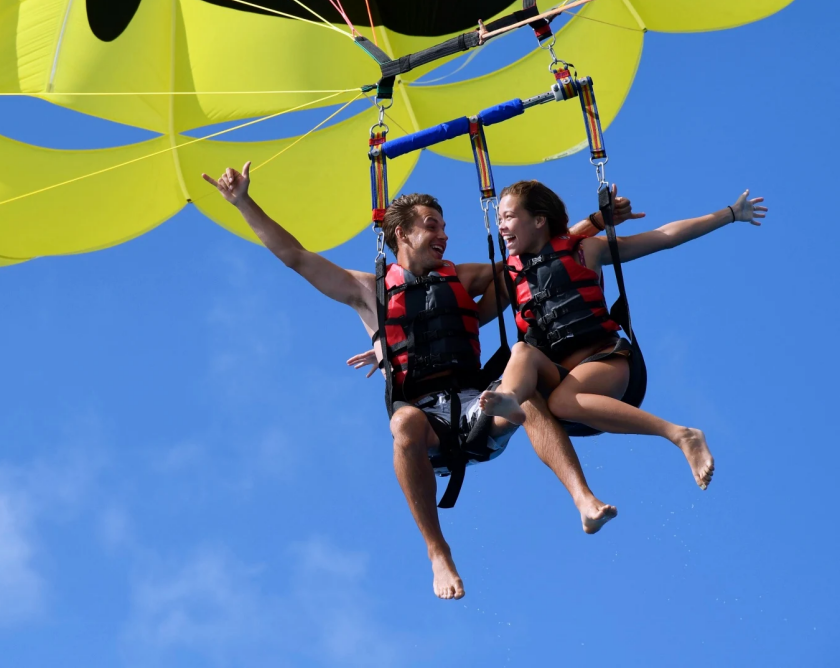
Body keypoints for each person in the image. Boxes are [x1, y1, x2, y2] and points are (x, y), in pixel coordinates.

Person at [202, 162, 639, 600]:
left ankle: (583, 498)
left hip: (480, 405)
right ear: (402, 235)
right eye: (432, 226)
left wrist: (594, 223)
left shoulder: (464, 277)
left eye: (444, 226)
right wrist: (243, 203)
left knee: (524, 390)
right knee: (403, 424)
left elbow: (539, 254)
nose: (443, 235)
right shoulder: (367, 291)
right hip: (426, 422)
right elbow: (296, 257)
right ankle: (438, 552)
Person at [479, 180, 768, 490]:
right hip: (558, 376)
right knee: (521, 352)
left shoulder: (585, 250)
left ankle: (681, 434)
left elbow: (663, 237)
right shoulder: (508, 278)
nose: (502, 226)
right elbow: (471, 317)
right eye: (498, 220)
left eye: (509, 217)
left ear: (538, 220)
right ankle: (511, 397)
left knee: (561, 403)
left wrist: (731, 213)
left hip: (607, 361)